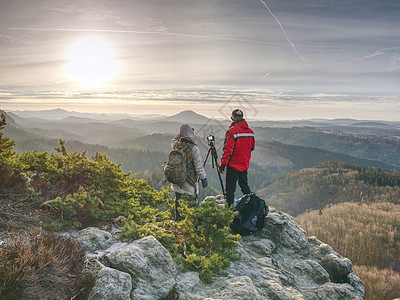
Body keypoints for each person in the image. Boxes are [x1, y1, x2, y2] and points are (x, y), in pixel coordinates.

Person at [171, 124, 208, 221]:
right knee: (192, 202)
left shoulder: (176, 145)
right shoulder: (194, 148)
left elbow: (173, 140)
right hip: (189, 181)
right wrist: (203, 178)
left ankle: (179, 221)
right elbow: (199, 167)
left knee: (178, 200)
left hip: (177, 179)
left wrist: (179, 134)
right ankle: (193, 223)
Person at [218, 109, 255, 206]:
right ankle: (252, 205)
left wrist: (223, 164)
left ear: (232, 118)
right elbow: (252, 148)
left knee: (230, 190)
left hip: (233, 165)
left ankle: (229, 212)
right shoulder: (250, 132)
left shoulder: (232, 131)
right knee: (244, 186)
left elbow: (227, 150)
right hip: (244, 164)